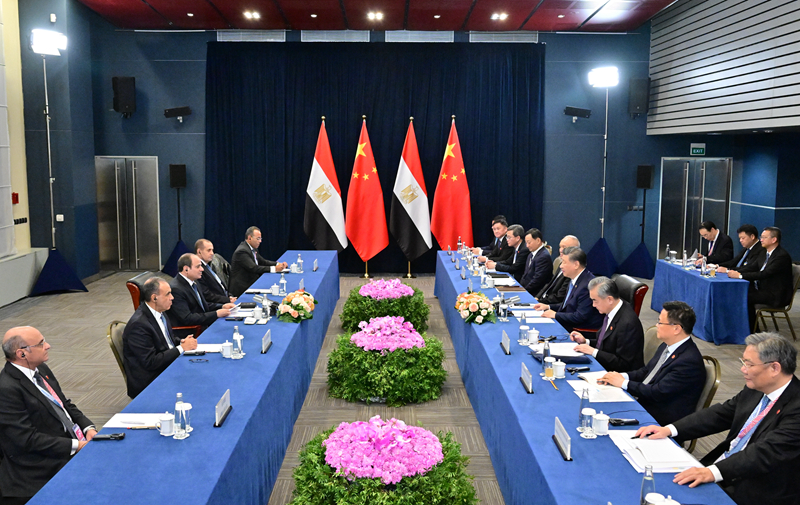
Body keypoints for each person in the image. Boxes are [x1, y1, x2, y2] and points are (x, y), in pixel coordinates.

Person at [634, 332, 800, 505]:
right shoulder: (756, 388)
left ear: (774, 368)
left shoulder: (796, 407)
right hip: (724, 467)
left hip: (757, 486)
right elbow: (720, 414)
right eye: (743, 362)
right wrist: (670, 429)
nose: (743, 369)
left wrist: (712, 472)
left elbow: (765, 453)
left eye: (749, 364)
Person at [0, 327, 96, 503]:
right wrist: (77, 445)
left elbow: (64, 404)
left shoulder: (41, 368)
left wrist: (87, 427)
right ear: (22, 354)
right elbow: (27, 439)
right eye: (41, 343)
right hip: (41, 464)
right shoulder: (6, 389)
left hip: (68, 442)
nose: (48, 346)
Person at [599, 301, 705, 425]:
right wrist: (620, 376)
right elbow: (647, 372)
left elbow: (657, 393)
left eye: (660, 322)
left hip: (660, 418)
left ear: (676, 329)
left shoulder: (688, 362)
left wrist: (623, 383)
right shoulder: (667, 345)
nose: (656, 325)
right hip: (646, 402)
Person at [123, 277, 198, 398]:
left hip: (165, 365)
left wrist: (181, 342)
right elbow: (151, 362)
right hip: (151, 380)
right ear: (154, 298)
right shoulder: (138, 325)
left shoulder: (160, 312)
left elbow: (166, 339)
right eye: (168, 294)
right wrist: (181, 348)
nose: (172, 297)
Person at [570, 276, 644, 372]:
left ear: (609, 299)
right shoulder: (611, 311)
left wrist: (593, 352)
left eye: (595, 300)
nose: (593, 305)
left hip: (617, 374)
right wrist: (586, 342)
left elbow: (623, 364)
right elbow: (606, 343)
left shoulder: (627, 324)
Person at [726, 227, 794, 331]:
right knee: (737, 291)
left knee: (745, 296)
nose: (761, 239)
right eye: (761, 237)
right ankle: (738, 326)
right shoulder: (764, 253)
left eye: (764, 237)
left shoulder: (781, 256)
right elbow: (751, 267)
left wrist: (740, 276)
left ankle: (752, 330)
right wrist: (730, 271)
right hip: (762, 289)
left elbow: (764, 274)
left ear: (774, 239)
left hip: (775, 294)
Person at [533, 246, 603, 332]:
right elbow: (569, 305)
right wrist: (548, 306)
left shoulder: (587, 285)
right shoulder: (574, 279)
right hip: (569, 323)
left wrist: (555, 315)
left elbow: (580, 316)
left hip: (579, 330)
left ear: (576, 265)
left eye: (564, 262)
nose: (561, 266)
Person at [166, 253, 234, 336]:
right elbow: (187, 318)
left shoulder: (195, 282)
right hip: (192, 333)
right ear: (186, 269)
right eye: (198, 266)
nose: (202, 269)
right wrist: (216, 314)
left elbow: (202, 305)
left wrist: (222, 306)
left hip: (203, 324)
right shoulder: (176, 289)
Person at [229, 226, 288, 297]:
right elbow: (254, 268)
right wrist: (275, 269)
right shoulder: (242, 251)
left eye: (260, 238)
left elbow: (263, 262)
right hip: (242, 287)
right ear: (249, 238)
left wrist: (278, 264)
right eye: (258, 238)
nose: (260, 241)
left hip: (251, 281)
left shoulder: (253, 248)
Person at [535, 235, 579, 305]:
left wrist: (540, 302)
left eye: (564, 247)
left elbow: (559, 297)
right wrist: (537, 297)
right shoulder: (560, 262)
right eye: (560, 247)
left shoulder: (572, 270)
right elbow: (549, 284)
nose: (560, 250)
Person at [194, 238, 236, 305]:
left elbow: (220, 285)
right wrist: (227, 300)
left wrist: (229, 296)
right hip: (217, 305)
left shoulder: (207, 266)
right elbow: (206, 294)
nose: (212, 253)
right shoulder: (198, 269)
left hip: (225, 299)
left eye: (212, 250)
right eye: (209, 250)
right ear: (199, 252)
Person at [519, 228, 552, 295]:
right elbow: (525, 275)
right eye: (526, 243)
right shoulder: (531, 254)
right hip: (526, 289)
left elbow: (537, 280)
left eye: (529, 242)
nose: (527, 246)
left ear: (538, 240)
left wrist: (523, 291)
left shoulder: (543, 257)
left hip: (535, 293)